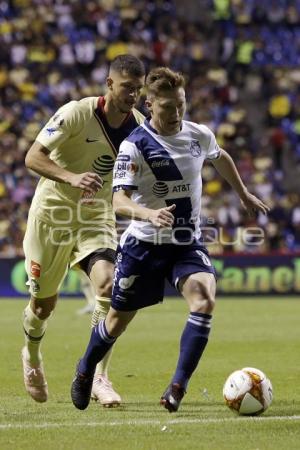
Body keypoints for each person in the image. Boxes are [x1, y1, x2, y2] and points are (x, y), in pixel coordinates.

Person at [70, 67, 269, 412]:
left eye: (181, 105)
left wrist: (244, 193)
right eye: (167, 108)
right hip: (143, 245)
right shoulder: (135, 146)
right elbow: (118, 200)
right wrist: (148, 214)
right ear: (149, 105)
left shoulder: (199, 135)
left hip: (185, 242)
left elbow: (221, 158)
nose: (176, 114)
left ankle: (178, 386)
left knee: (204, 299)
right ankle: (86, 367)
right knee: (116, 321)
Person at [22, 54, 145, 406]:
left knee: (108, 286)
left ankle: (97, 375)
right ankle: (31, 355)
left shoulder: (138, 126)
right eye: (126, 87)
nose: (132, 95)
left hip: (96, 216)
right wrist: (71, 176)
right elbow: (32, 157)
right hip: (53, 215)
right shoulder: (76, 112)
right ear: (109, 85)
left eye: (137, 89)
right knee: (43, 306)